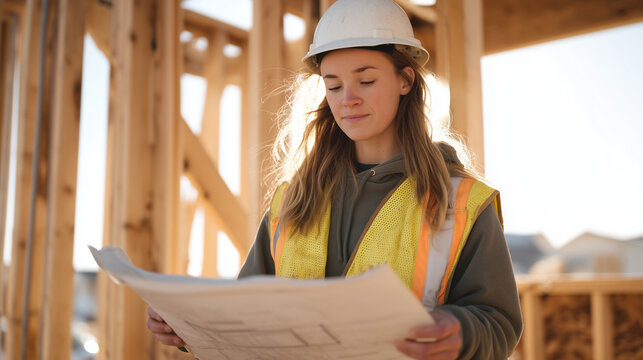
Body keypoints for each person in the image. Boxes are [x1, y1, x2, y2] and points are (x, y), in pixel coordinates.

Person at [147, 0, 523, 358]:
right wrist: (191, 327)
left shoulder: (460, 201)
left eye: (366, 80)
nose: (348, 100)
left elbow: (499, 323)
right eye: (334, 85)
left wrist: (460, 331)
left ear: (405, 80)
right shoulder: (291, 201)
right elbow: (248, 314)